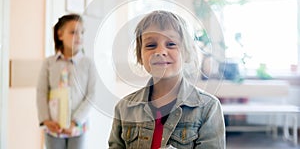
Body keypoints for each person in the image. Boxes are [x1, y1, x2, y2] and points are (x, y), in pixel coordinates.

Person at [108, 10, 225, 148]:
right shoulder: (124, 108)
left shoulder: (208, 108)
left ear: (187, 53)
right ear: (140, 57)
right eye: (151, 45)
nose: (160, 52)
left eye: (171, 44)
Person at [36, 14, 97, 149]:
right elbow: (41, 92)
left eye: (82, 32)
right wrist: (46, 120)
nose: (79, 36)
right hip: (53, 125)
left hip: (77, 127)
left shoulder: (88, 63)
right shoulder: (49, 63)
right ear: (60, 35)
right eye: (73, 32)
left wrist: (75, 122)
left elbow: (91, 95)